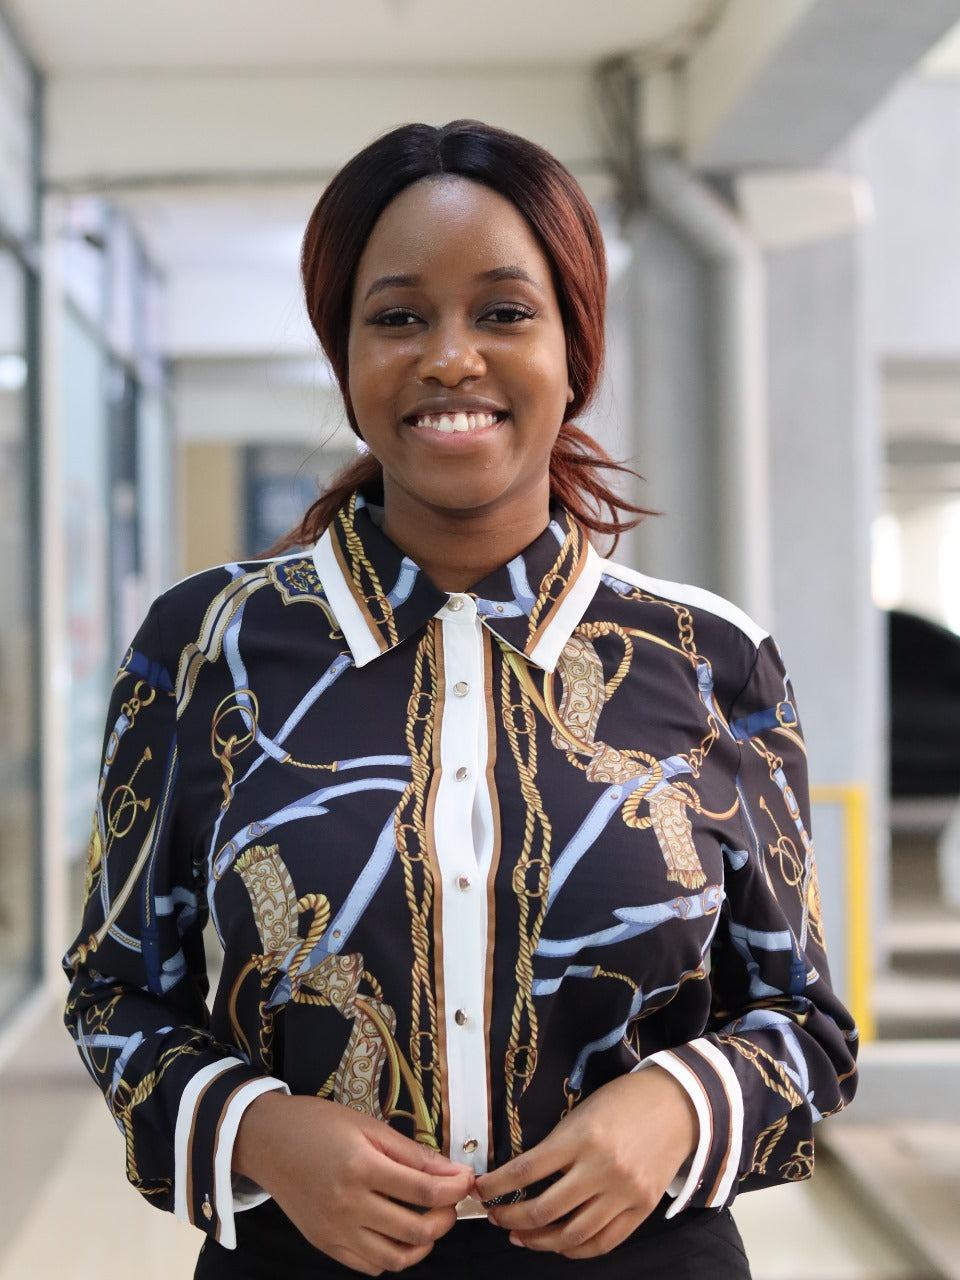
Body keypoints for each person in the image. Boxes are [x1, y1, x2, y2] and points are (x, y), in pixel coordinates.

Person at [64, 120, 858, 1279]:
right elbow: (115, 986)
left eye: (503, 312)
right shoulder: (205, 648)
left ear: (575, 346)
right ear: (343, 354)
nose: (450, 358)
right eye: (397, 317)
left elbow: (805, 1023)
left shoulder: (708, 656)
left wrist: (676, 1106)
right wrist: (258, 1131)